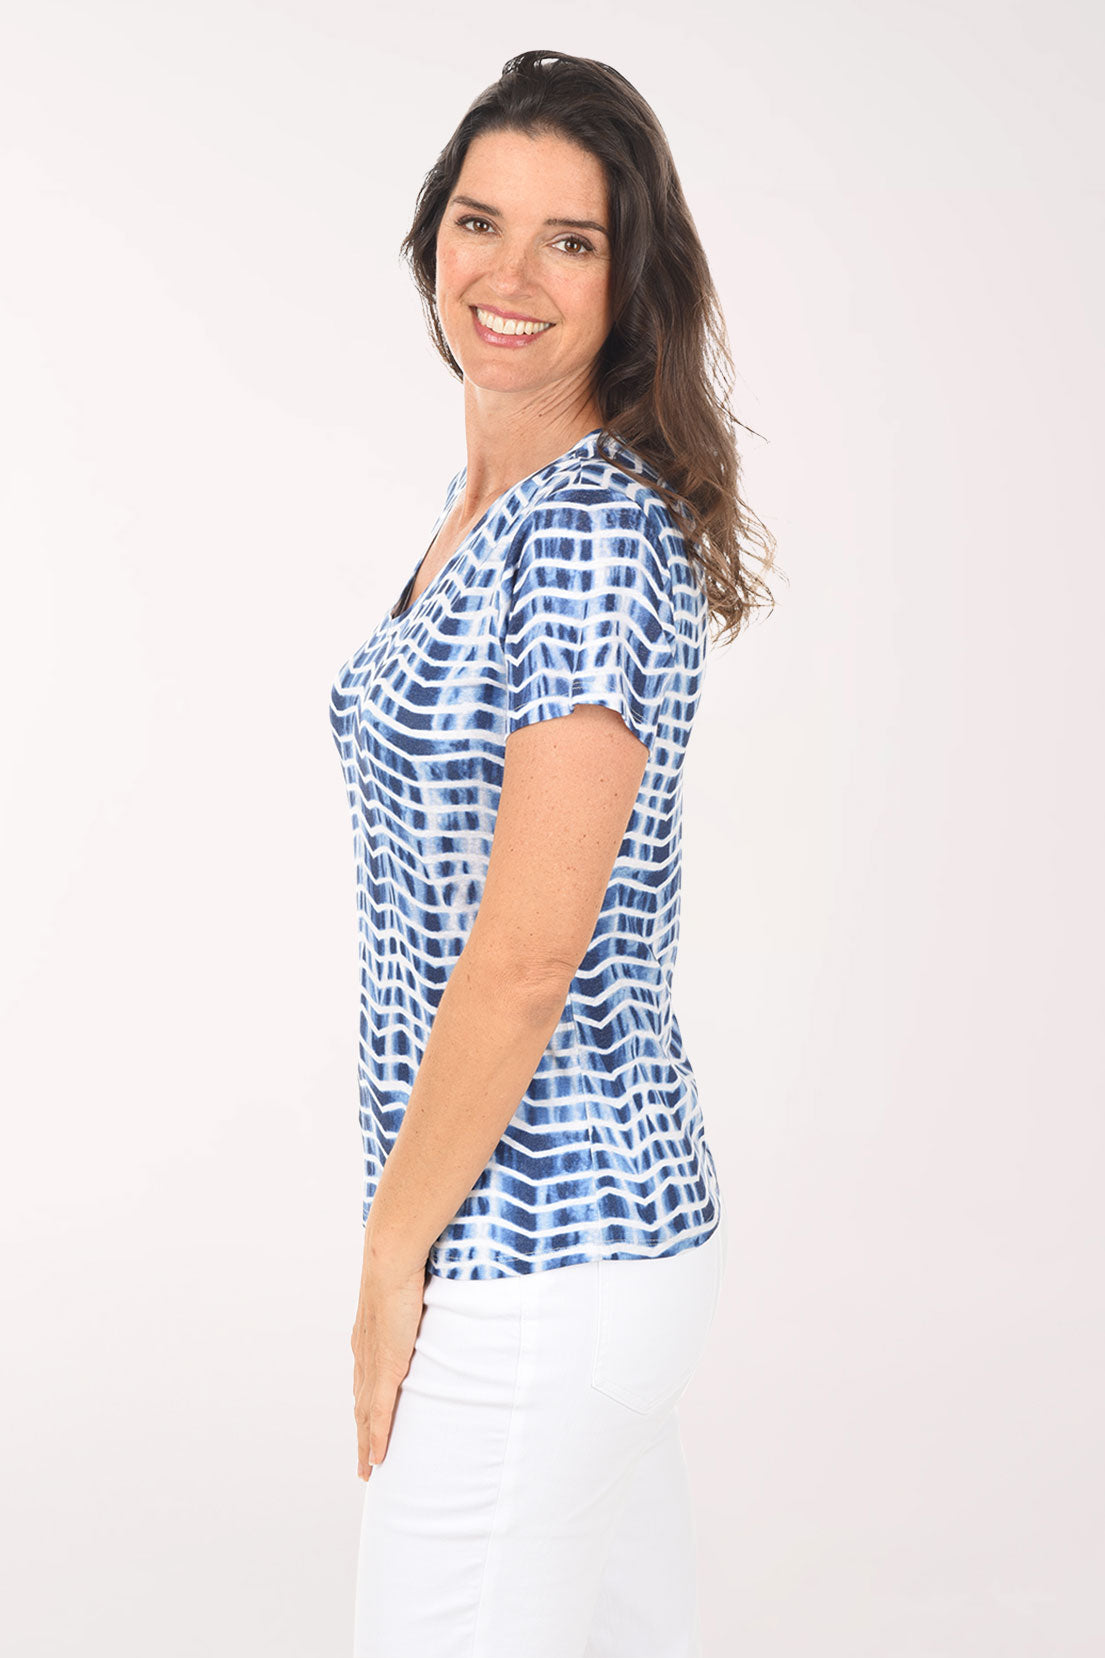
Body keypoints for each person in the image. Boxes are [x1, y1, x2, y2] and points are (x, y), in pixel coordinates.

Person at [328, 48, 776, 1658]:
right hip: (575, 1238)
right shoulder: (491, 506)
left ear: (627, 276)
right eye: (477, 222)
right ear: (430, 242)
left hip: (537, 1243)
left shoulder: (584, 527)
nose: (506, 276)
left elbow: (523, 960)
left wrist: (391, 1256)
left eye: (568, 240)